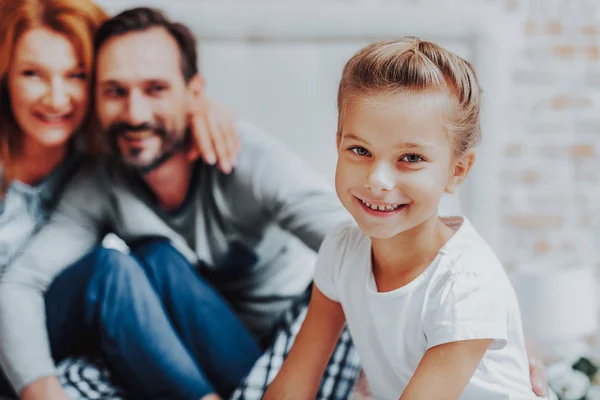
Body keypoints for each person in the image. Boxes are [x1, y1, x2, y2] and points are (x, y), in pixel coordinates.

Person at [1, 7, 362, 400]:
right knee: (150, 257)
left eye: (155, 89)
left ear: (194, 94)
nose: (135, 113)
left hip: (275, 350)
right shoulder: (99, 174)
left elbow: (356, 240)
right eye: (115, 91)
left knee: (153, 258)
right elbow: (22, 282)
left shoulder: (240, 156)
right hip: (184, 352)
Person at [264, 38, 545, 399]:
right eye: (360, 150)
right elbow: (292, 387)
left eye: (411, 158)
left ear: (457, 170)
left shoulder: (466, 284)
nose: (377, 181)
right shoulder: (341, 249)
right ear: (338, 145)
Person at [0, 0, 241, 399]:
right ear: (6, 76)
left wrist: (197, 108)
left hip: (55, 323)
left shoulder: (102, 159)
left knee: (157, 258)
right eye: (33, 75)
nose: (58, 99)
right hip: (12, 346)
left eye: (76, 76)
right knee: (107, 271)